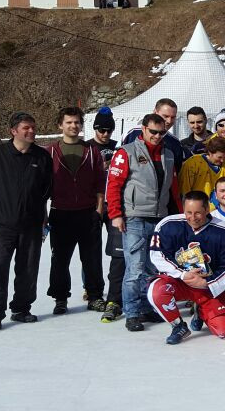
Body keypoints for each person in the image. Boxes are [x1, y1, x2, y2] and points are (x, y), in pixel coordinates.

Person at [0, 111, 53, 330]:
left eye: (33, 127)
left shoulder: (42, 156)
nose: (31, 131)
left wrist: (39, 214)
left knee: (28, 268)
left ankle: (21, 308)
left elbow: (46, 189)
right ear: (13, 131)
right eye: (26, 128)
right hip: (2, 224)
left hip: (31, 224)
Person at [106, 113, 182, 330]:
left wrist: (176, 216)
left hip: (159, 218)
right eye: (153, 132)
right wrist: (116, 214)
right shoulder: (126, 152)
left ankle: (147, 308)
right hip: (135, 216)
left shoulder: (167, 153)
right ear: (143, 129)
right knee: (135, 268)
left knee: (152, 268)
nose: (157, 136)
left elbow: (173, 189)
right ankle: (132, 312)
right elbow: (113, 185)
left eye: (162, 132)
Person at [146, 192, 225, 345]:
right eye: (188, 212)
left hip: (209, 288)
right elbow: (157, 255)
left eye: (198, 212)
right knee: (156, 290)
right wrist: (183, 274)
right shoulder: (168, 225)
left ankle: (201, 311)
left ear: (207, 209)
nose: (192, 217)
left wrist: (209, 283)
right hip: (180, 282)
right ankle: (178, 326)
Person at [45, 106, 106, 316]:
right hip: (60, 213)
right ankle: (60, 298)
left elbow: (100, 183)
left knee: (91, 258)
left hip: (87, 213)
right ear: (60, 125)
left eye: (77, 122)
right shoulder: (50, 152)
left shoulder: (92, 151)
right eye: (69, 122)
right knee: (59, 259)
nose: (73, 126)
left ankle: (95, 296)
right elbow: (42, 187)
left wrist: (98, 211)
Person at [90, 108, 124, 316]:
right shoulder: (88, 148)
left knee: (115, 251)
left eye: (109, 130)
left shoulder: (118, 148)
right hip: (94, 205)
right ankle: (92, 290)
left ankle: (114, 292)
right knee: (92, 252)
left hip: (112, 205)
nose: (105, 134)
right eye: (101, 130)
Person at [177, 136, 225, 207]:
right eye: (219, 157)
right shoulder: (192, 164)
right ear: (210, 152)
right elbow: (184, 191)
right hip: (199, 209)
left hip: (223, 210)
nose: (222, 160)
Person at [121, 98, 185, 166]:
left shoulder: (175, 142)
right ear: (155, 112)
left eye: (173, 117)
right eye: (165, 116)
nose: (169, 121)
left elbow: (178, 171)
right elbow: (117, 162)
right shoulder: (131, 134)